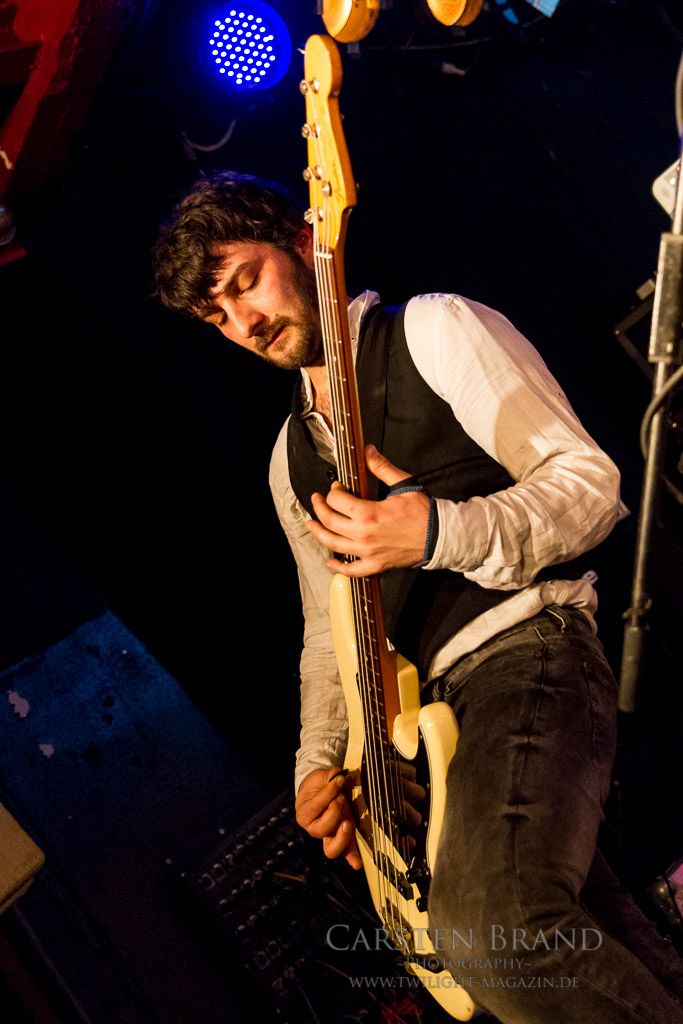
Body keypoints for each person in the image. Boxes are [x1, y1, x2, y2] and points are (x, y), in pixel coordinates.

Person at [153, 171, 683, 1023]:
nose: (243, 323)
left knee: (491, 933)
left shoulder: (431, 329)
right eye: (215, 316)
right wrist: (319, 766)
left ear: (302, 241)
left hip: (528, 652)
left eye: (245, 281)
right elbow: (326, 631)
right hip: (430, 728)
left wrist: (436, 531)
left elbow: (589, 488)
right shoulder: (288, 461)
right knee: (596, 951)